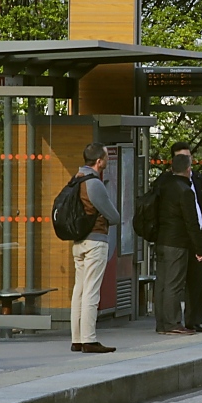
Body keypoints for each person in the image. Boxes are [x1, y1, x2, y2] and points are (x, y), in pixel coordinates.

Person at [70, 143, 121, 353]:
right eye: (106, 157)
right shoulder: (94, 183)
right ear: (99, 161)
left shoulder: (75, 179)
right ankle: (89, 339)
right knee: (91, 291)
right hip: (95, 241)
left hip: (78, 241)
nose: (107, 160)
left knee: (79, 290)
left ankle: (77, 339)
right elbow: (114, 216)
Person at [153, 151, 202, 334]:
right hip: (177, 242)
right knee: (174, 284)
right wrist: (199, 246)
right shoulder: (185, 191)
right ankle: (173, 323)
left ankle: (161, 323)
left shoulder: (163, 186)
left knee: (162, 283)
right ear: (188, 169)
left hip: (162, 239)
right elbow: (191, 222)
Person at [172, 142, 202, 333]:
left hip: (199, 233)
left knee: (197, 281)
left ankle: (194, 319)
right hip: (180, 237)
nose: (187, 161)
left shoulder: (197, 178)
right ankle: (173, 320)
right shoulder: (169, 181)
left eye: (189, 157)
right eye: (182, 157)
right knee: (176, 280)